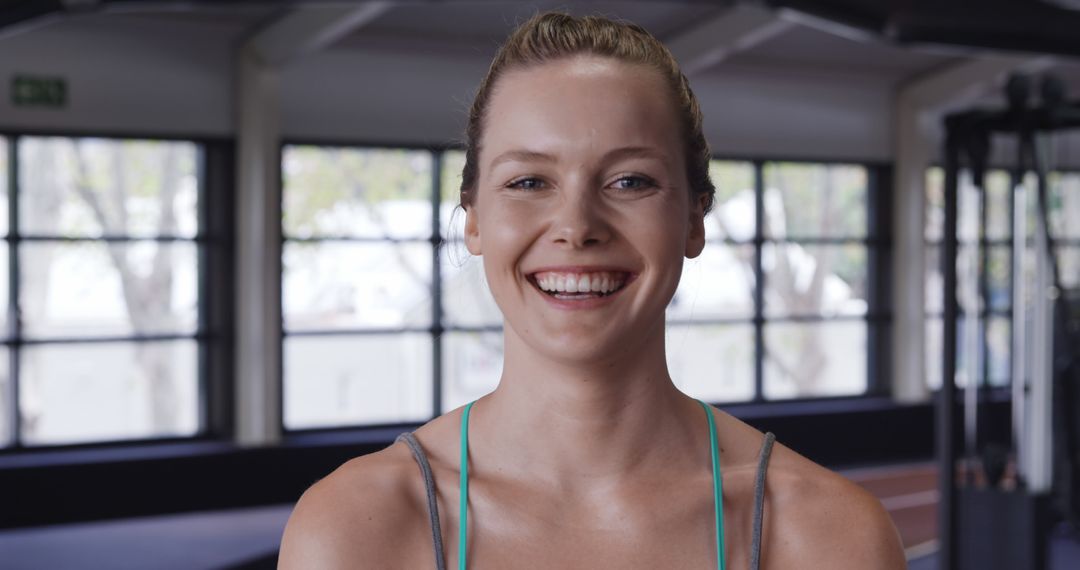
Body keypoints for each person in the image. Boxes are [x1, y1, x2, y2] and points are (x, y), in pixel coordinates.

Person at [279, 12, 906, 569]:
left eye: (630, 181)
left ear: (694, 218)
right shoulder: (354, 532)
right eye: (528, 182)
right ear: (473, 219)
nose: (577, 227)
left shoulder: (826, 536)